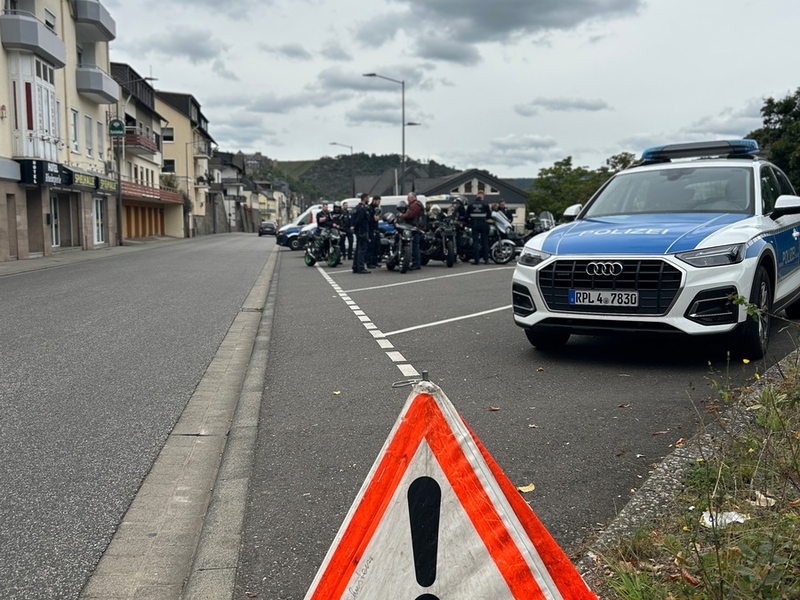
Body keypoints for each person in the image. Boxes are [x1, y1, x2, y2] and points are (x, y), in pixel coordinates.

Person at [398, 191, 425, 270]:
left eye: (408, 197)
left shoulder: (415, 205)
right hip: (415, 227)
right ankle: (415, 262)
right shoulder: (415, 204)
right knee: (414, 245)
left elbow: (411, 215)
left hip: (415, 228)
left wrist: (402, 216)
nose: (407, 199)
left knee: (414, 245)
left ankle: (416, 263)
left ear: (413, 197)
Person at [466, 190, 490, 264]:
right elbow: (489, 215)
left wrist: (470, 222)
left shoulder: (471, 204)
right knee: (485, 242)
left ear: (477, 195)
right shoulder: (485, 204)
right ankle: (486, 260)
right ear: (482, 196)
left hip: (474, 225)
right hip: (483, 224)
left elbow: (466, 215)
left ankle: (477, 260)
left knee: (475, 242)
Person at [351, 193, 371, 274]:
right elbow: (359, 220)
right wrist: (356, 227)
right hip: (362, 230)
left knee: (358, 249)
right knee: (362, 249)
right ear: (364, 198)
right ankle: (361, 267)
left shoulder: (357, 207)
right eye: (368, 198)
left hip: (359, 231)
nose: (369, 200)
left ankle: (355, 266)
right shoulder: (362, 209)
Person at [367, 196, 382, 268]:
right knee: (371, 246)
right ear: (374, 200)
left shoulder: (377, 209)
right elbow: (368, 220)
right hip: (371, 229)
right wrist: (374, 219)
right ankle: (369, 262)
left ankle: (375, 261)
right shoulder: (369, 208)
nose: (379, 203)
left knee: (377, 246)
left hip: (376, 228)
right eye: (378, 201)